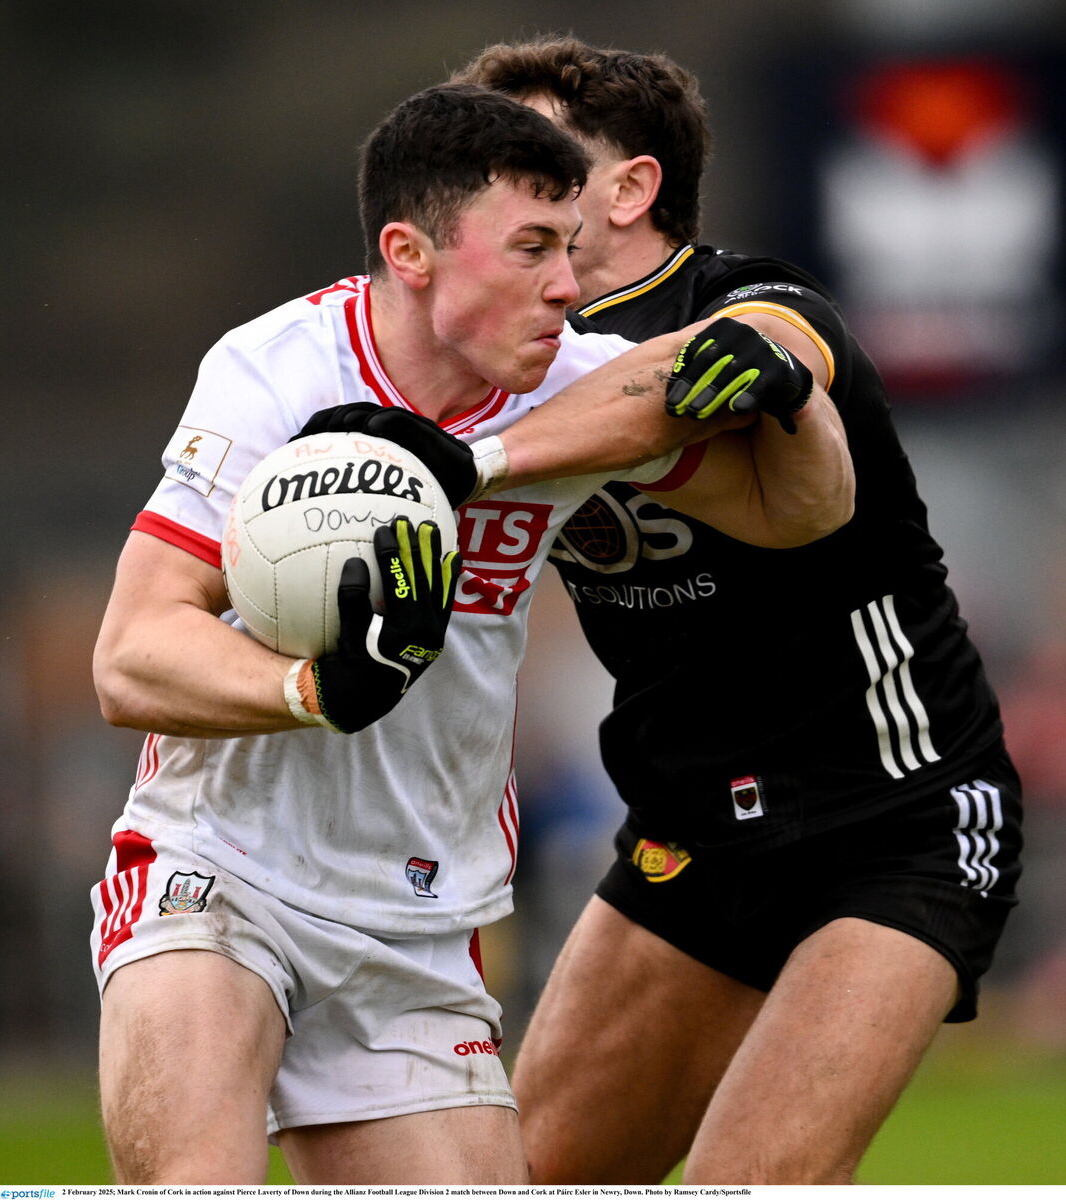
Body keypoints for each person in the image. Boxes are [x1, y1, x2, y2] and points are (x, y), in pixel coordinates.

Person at [90, 83, 853, 1186]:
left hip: (415, 919)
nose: (567, 284)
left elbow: (803, 509)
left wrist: (795, 402)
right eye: (534, 248)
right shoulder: (277, 371)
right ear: (411, 252)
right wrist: (316, 689)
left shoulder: (581, 390)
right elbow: (132, 651)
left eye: (573, 247)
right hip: (216, 874)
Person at [452, 38, 1024, 1185]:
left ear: (629, 187)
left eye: (531, 153)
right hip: (685, 836)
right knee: (520, 1185)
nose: (493, 178)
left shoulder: (748, 302)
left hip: (894, 826)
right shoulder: (504, 360)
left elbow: (776, 340)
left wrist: (760, 372)